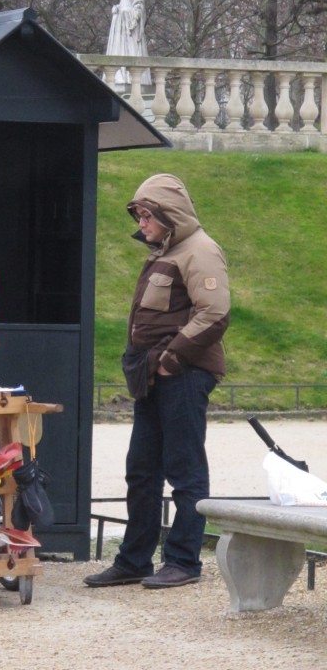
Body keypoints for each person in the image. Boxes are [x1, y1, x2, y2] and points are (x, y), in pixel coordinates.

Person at [84, 173, 230, 590]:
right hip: (156, 375)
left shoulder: (199, 250)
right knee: (142, 470)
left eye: (147, 215)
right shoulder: (170, 249)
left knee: (185, 470)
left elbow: (215, 313)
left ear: (169, 215)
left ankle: (184, 561)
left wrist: (171, 358)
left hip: (182, 375)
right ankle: (134, 560)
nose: (141, 223)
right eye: (139, 215)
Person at [106, 0, 151, 87]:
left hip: (129, 18)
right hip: (120, 18)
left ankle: (130, 76)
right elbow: (124, 2)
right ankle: (121, 75)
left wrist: (135, 18)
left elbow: (138, 3)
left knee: (130, 46)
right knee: (121, 46)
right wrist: (116, 7)